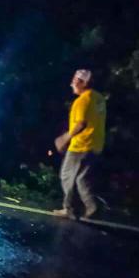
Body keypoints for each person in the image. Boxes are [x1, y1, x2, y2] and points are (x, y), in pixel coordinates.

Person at [52, 69, 107, 219]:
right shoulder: (98, 98)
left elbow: (81, 124)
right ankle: (92, 206)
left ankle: (69, 208)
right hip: (96, 144)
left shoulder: (82, 101)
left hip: (81, 145)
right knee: (81, 178)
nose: (72, 83)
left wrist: (65, 138)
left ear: (83, 83)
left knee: (66, 175)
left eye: (75, 80)